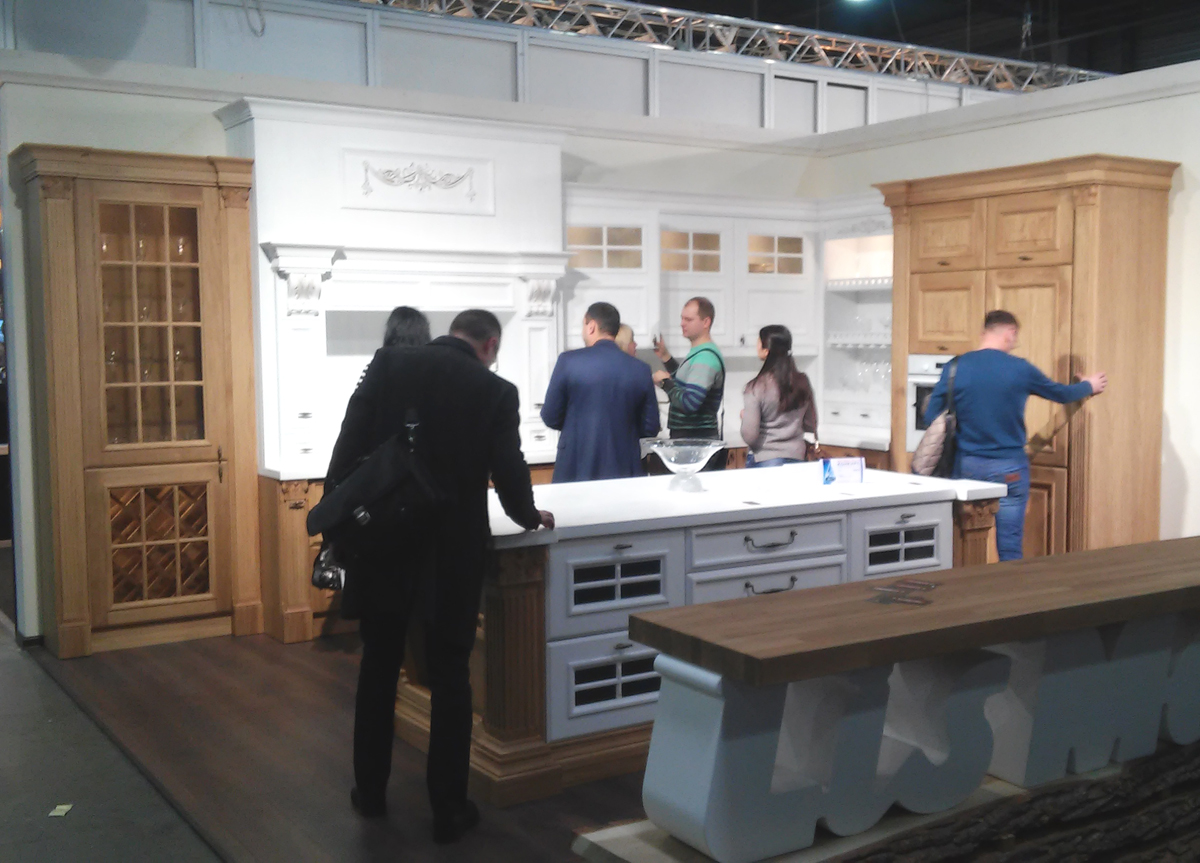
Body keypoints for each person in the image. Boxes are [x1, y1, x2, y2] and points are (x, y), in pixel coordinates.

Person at [326, 309, 554, 843]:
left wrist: (338, 519)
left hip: (384, 543)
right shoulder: (494, 390)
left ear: (452, 332)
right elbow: (509, 471)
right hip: (451, 552)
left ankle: (370, 791)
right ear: (489, 345)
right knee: (452, 675)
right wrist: (528, 516)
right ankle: (449, 809)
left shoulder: (389, 364)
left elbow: (346, 446)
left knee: (379, 664)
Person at [924, 309, 1106, 561]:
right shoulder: (1020, 369)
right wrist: (1089, 385)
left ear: (984, 333)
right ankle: (1009, 586)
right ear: (1010, 333)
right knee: (1009, 546)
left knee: (961, 543)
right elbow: (1061, 394)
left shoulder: (955, 367)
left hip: (968, 467)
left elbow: (930, 417)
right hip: (1009, 468)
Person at [541, 302, 660, 482]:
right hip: (624, 466)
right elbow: (650, 427)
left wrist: (576, 427)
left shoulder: (568, 362)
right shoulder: (640, 369)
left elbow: (550, 416)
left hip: (575, 464)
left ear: (591, 326)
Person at [652, 297, 726, 470]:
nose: (682, 323)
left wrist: (665, 383)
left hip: (697, 443)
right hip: (693, 441)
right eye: (682, 318)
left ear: (706, 322)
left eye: (689, 319)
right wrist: (665, 357)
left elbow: (689, 403)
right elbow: (685, 382)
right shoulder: (700, 353)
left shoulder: (705, 358)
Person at [741, 325, 817, 467]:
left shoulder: (756, 387)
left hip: (765, 459)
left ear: (766, 350)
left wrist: (746, 417)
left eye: (758, 342)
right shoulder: (802, 382)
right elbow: (810, 424)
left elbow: (750, 436)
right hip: (797, 458)